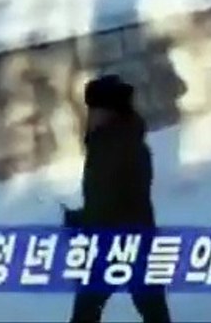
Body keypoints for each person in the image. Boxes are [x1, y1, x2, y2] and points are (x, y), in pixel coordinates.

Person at [64, 75, 171, 323]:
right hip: (119, 238)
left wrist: (85, 222)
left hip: (124, 242)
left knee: (93, 308)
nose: (89, 116)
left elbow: (121, 200)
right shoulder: (106, 143)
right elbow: (105, 197)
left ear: (111, 112)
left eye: (95, 109)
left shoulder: (122, 147)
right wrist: (83, 217)